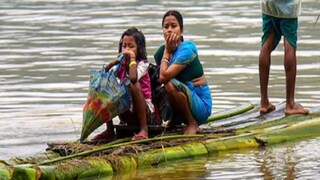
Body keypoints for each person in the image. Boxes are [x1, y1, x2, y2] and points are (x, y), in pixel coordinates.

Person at [154, 10, 212, 134]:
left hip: (201, 105)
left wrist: (166, 52)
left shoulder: (187, 49)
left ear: (181, 30)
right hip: (183, 97)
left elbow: (164, 77)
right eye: (166, 27)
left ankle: (192, 123)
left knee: (169, 83)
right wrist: (165, 51)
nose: (169, 30)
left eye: (174, 26)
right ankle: (175, 120)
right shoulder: (159, 52)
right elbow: (159, 79)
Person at [92, 27, 154, 141]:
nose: (126, 49)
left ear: (138, 49)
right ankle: (109, 130)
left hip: (144, 113)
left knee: (133, 85)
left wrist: (132, 59)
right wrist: (113, 62)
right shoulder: (119, 66)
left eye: (131, 46)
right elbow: (102, 76)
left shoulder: (142, 65)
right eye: (124, 46)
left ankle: (144, 130)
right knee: (103, 86)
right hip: (126, 112)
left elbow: (133, 78)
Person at [259, 0, 309, 115]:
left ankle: (264, 102)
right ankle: (290, 104)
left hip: (269, 4)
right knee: (289, 44)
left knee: (266, 43)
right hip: (288, 6)